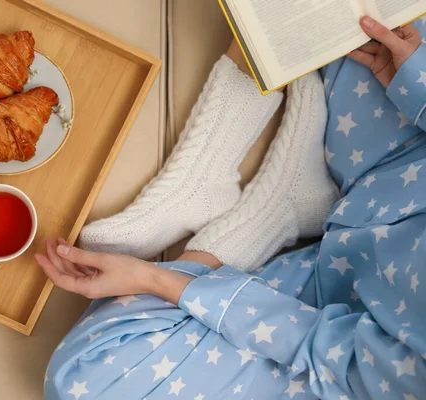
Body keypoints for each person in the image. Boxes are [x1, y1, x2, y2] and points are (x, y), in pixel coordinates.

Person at [38, 16, 426, 399]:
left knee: (82, 384)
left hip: (328, 315)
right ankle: (252, 193)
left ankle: (264, 210)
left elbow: (330, 354)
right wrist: (420, 89)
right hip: (403, 155)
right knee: (318, 18)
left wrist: (157, 280)